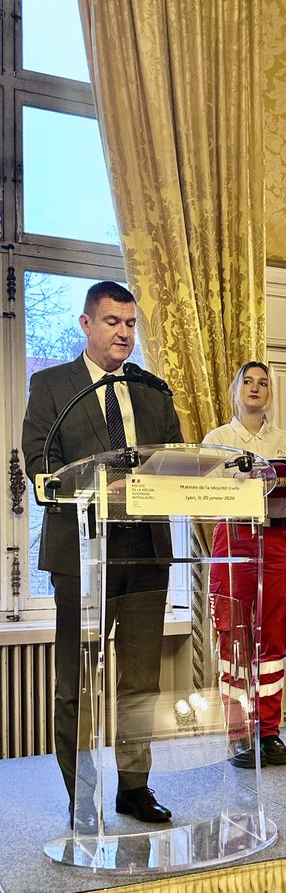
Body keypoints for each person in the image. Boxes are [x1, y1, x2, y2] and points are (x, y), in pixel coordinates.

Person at [22, 281, 183, 828]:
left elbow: (176, 461)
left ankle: (133, 787)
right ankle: (81, 794)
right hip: (82, 555)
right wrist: (97, 488)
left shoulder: (152, 391)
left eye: (131, 323)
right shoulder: (52, 385)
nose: (124, 333)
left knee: (141, 683)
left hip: (146, 553)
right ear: (86, 324)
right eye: (113, 321)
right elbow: (39, 466)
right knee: (76, 684)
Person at [203, 361, 286, 767]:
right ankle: (238, 734)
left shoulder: (285, 441)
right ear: (236, 389)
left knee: (274, 638)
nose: (256, 388)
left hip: (279, 536)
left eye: (263, 383)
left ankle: (270, 732)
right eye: (248, 381)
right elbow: (207, 493)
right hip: (235, 534)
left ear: (270, 392)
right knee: (234, 639)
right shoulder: (218, 439)